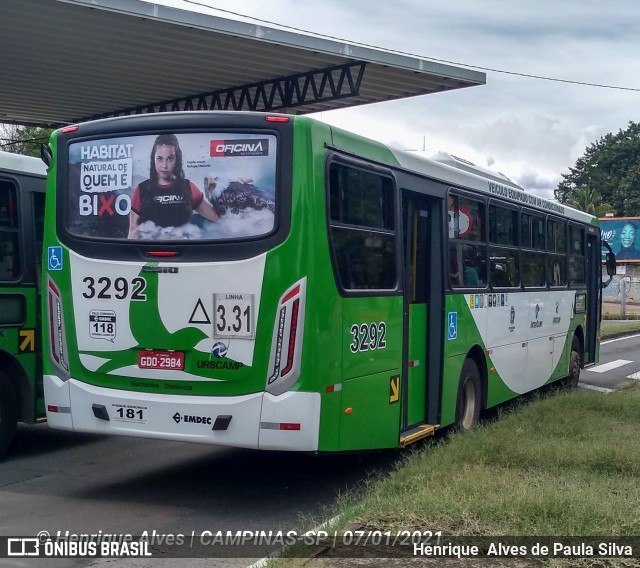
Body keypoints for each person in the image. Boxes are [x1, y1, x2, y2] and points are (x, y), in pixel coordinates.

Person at [128, 134, 219, 238]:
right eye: (160, 159)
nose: (164, 165)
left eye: (170, 159)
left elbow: (216, 216)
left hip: (185, 250)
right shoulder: (142, 189)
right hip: (151, 251)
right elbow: (133, 232)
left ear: (177, 159)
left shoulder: (188, 187)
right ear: (153, 159)